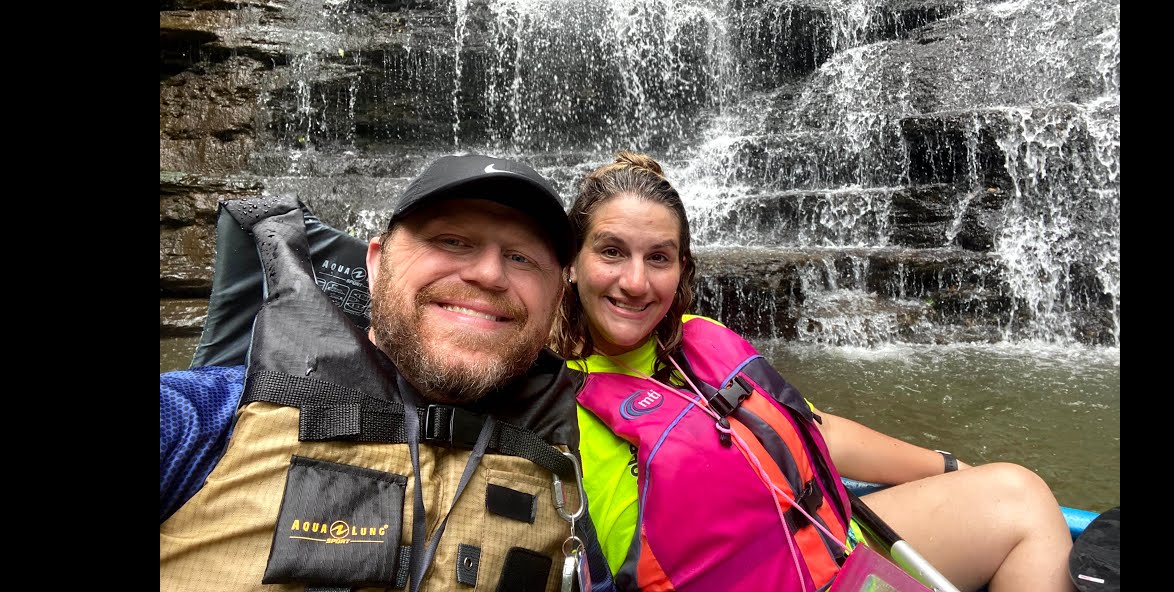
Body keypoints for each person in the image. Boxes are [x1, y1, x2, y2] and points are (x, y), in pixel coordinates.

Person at [549, 151, 1075, 592]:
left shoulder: (700, 337)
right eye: (612, 252)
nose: (636, 282)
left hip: (828, 553)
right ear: (570, 261)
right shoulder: (542, 398)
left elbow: (808, 428)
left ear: (683, 268)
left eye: (659, 257)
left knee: (1019, 495)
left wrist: (948, 466)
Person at [161, 154, 612, 592]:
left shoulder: (560, 485)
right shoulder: (205, 418)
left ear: (556, 301)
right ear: (375, 265)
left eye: (522, 258)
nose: (489, 274)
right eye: (452, 240)